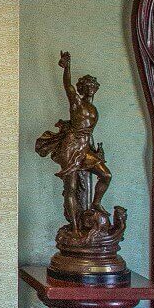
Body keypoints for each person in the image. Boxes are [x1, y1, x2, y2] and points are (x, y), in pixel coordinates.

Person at [35, 51, 112, 232]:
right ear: (81, 88)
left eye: (93, 85)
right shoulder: (76, 102)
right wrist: (67, 66)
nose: (90, 87)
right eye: (86, 85)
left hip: (85, 147)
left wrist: (93, 148)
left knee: (106, 175)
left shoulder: (93, 107)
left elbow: (89, 131)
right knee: (70, 187)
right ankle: (76, 227)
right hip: (71, 146)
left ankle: (96, 203)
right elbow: (67, 85)